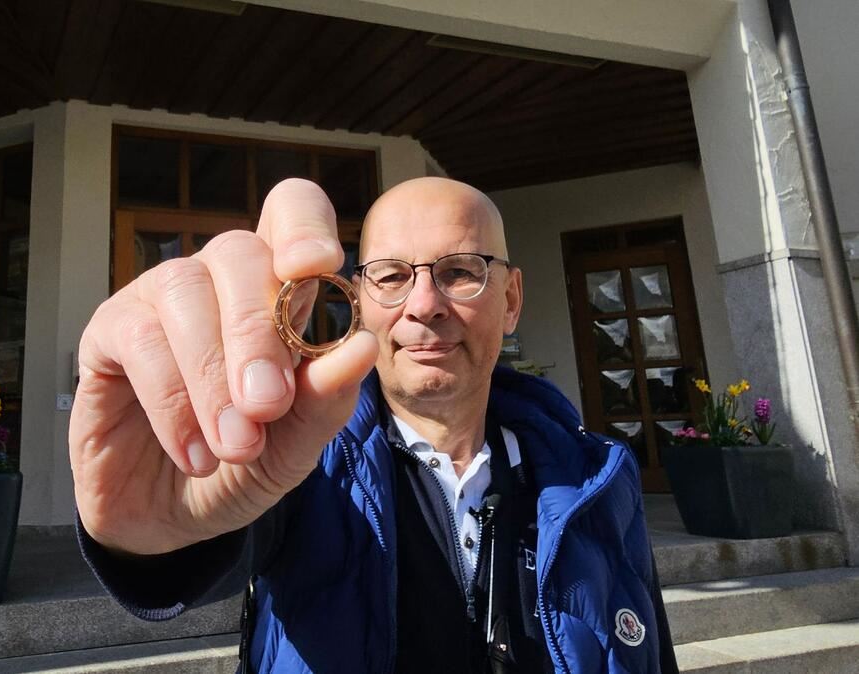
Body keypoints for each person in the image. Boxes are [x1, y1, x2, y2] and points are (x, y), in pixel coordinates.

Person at [70, 177, 677, 673]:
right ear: (357, 299)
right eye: (391, 276)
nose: (424, 304)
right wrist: (151, 534)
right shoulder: (298, 468)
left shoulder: (601, 476)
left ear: (512, 299)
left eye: (462, 271)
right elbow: (215, 540)